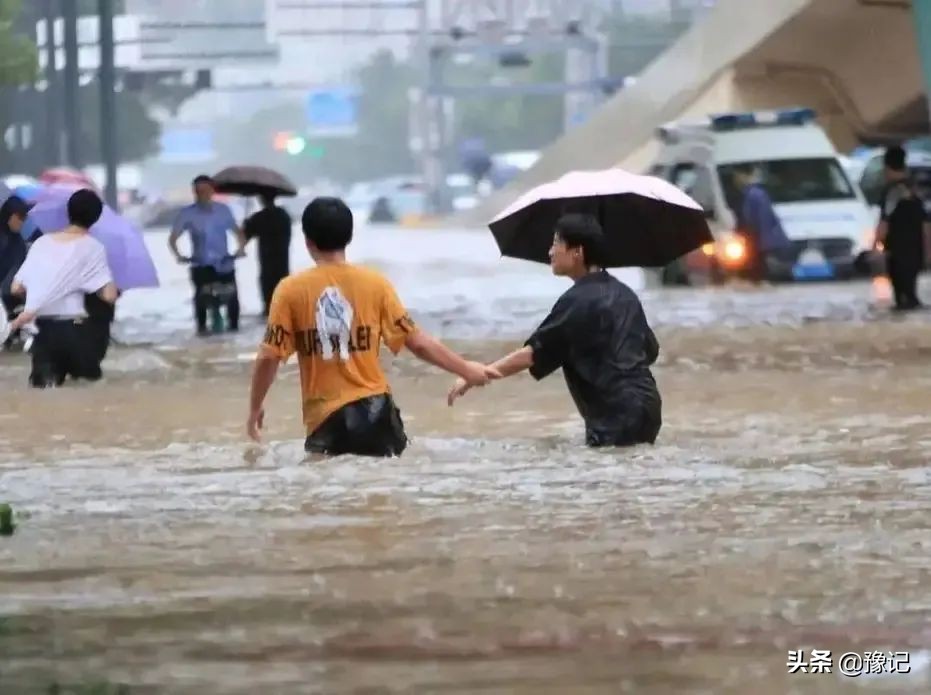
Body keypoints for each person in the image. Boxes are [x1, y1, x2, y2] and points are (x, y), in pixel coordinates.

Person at [247, 196, 500, 456]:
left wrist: (255, 408)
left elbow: (269, 356)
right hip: (379, 414)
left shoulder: (290, 290)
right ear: (349, 237)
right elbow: (418, 342)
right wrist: (467, 369)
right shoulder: (376, 283)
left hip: (328, 421)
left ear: (307, 241)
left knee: (325, 480)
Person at [448, 213, 662, 448]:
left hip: (614, 412)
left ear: (577, 252)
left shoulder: (576, 301)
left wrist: (480, 373)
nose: (550, 252)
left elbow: (533, 354)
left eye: (556, 243)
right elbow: (650, 350)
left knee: (606, 467)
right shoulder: (625, 294)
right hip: (648, 405)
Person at [7, 189, 118, 388]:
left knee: (44, 393)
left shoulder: (41, 243)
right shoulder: (93, 247)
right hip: (75, 333)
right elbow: (109, 296)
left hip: (42, 334)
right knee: (87, 392)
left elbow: (16, 288)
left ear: (68, 212)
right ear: (95, 218)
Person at [169, 175, 247, 335]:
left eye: (205, 190)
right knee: (200, 300)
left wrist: (240, 249)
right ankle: (202, 330)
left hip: (224, 263)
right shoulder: (187, 214)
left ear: (212, 191)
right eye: (198, 191)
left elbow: (238, 233)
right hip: (200, 264)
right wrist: (179, 255)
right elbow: (173, 238)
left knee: (232, 299)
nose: (201, 194)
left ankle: (234, 329)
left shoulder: (224, 210)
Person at [876, 145, 928, 311]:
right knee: (911, 296)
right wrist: (927, 251)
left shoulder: (891, 192)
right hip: (916, 252)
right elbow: (926, 224)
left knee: (902, 300)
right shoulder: (916, 190)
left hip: (897, 253)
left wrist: (875, 246)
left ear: (887, 167)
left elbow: (884, 222)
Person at [731, 163, 790, 283]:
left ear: (743, 176)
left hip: (761, 243)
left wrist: (756, 242)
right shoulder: (753, 193)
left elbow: (761, 221)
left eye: (736, 176)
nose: (735, 181)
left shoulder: (755, 195)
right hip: (760, 242)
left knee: (759, 274)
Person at [243, 193, 291, 317]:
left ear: (261, 200)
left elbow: (246, 234)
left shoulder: (259, 217)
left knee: (267, 282)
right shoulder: (284, 215)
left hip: (266, 258)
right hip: (282, 257)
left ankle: (269, 309)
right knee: (282, 281)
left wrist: (246, 223)